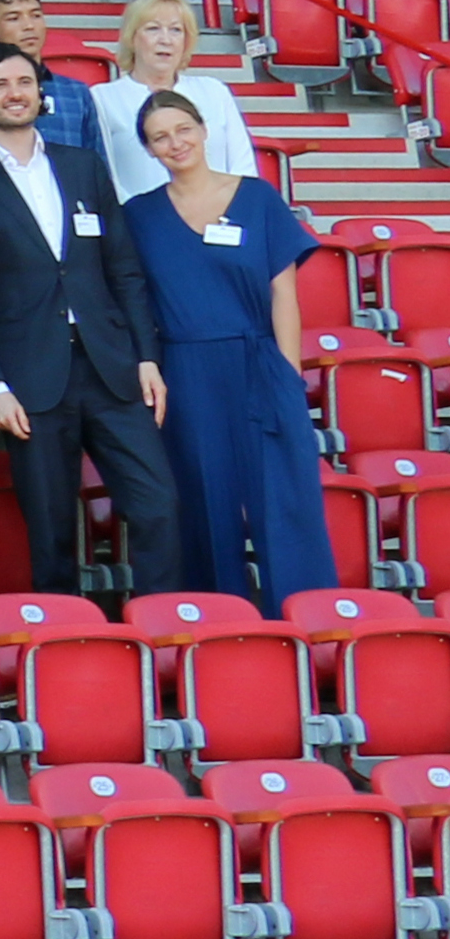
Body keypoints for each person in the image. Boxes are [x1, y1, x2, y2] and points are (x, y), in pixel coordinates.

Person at [0, 42, 179, 603]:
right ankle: (66, 645)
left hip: (112, 368)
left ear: (40, 91)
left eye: (24, 81)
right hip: (29, 380)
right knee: (49, 528)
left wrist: (146, 356)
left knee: (157, 502)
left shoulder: (84, 166)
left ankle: (163, 629)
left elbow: (124, 270)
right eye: (0, 84)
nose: (15, 93)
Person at [122, 83, 330, 607]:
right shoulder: (138, 216)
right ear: (147, 150)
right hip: (186, 372)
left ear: (204, 129)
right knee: (204, 506)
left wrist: (287, 372)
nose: (175, 143)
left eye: (183, 129)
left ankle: (309, 626)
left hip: (260, 361)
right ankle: (218, 631)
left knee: (286, 502)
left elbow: (283, 292)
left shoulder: (257, 197)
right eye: (160, 137)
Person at [89, 0, 255, 194]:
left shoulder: (214, 91)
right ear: (131, 37)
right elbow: (107, 176)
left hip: (221, 219)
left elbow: (243, 168)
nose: (165, 40)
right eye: (153, 29)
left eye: (176, 30)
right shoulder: (102, 98)